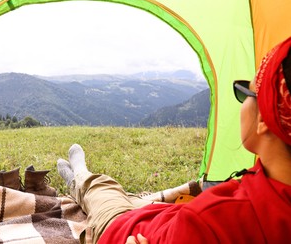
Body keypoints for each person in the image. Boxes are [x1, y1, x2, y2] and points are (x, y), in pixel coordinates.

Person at [57, 37, 291, 244]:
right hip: (163, 220)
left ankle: (81, 178)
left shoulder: (209, 221)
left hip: (122, 229)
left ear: (264, 118)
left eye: (245, 92)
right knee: (130, 200)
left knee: (105, 194)